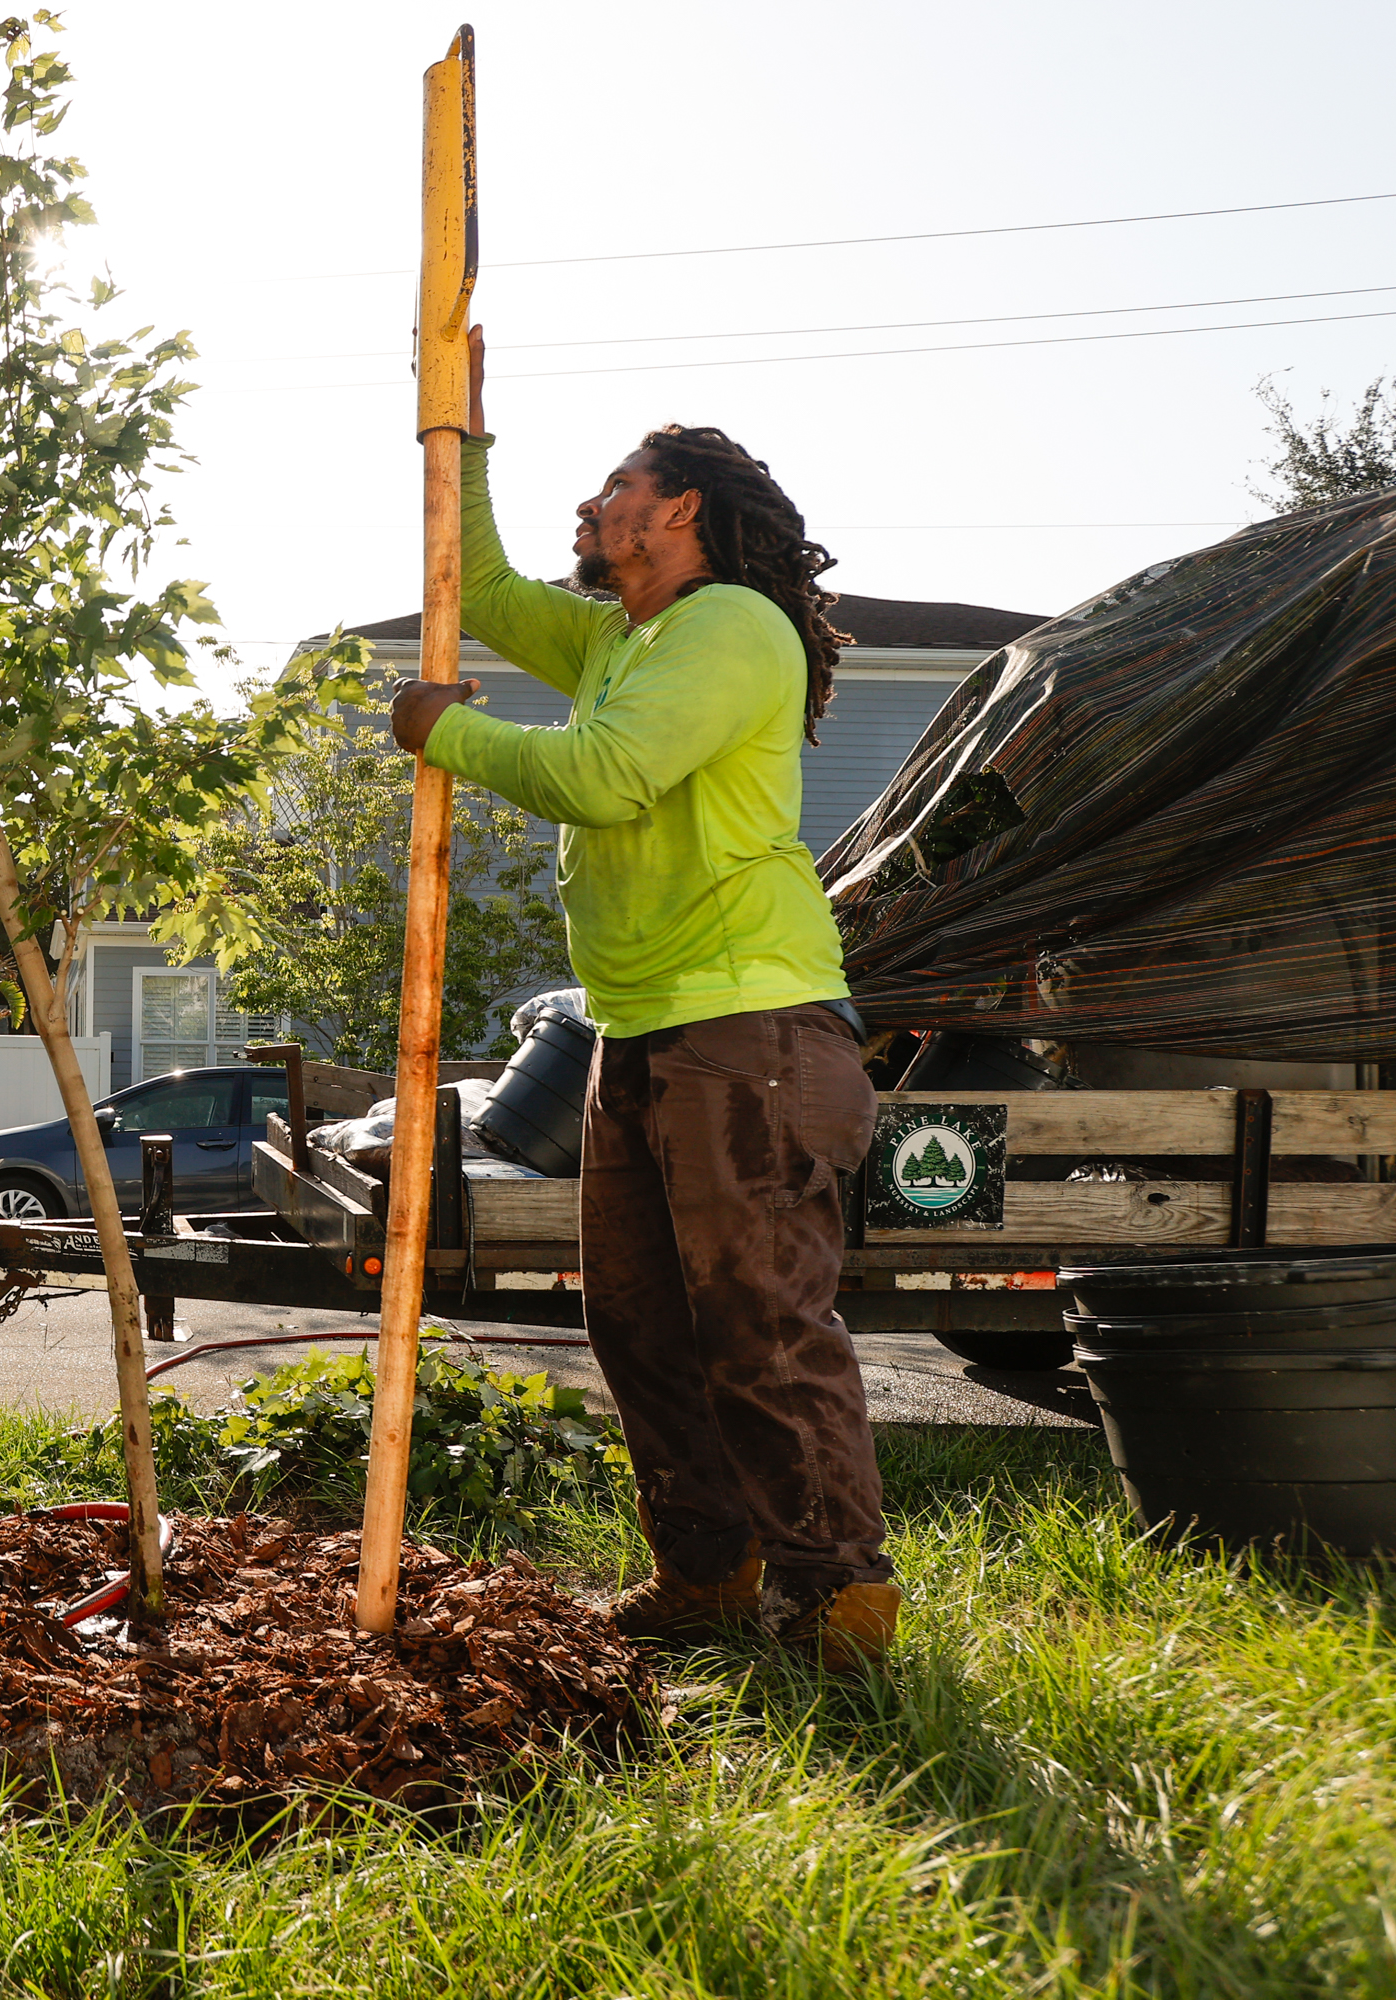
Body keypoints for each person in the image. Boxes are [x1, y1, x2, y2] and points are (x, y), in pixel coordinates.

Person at [388, 329, 898, 1671]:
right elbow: (484, 586)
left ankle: (839, 1597)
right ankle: (709, 1572)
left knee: (760, 1320)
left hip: (752, 1029)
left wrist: (442, 729)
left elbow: (605, 777)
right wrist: (466, 435)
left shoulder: (728, 626)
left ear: (679, 509)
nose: (593, 502)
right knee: (638, 1315)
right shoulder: (624, 635)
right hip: (641, 1023)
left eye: (617, 482)